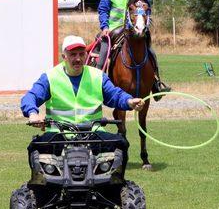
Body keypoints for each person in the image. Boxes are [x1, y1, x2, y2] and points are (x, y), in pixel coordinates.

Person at [21, 35, 144, 180]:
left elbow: (114, 95)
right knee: (35, 147)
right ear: (64, 56)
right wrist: (32, 113)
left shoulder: (98, 76)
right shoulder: (50, 77)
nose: (78, 58)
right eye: (73, 54)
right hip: (58, 135)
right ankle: (39, 189)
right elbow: (31, 97)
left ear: (86, 55)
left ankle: (116, 186)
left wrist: (129, 101)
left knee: (120, 145)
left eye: (81, 54)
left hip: (93, 134)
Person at [97, 0, 171, 98]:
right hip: (115, 28)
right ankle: (96, 80)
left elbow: (147, 8)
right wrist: (104, 26)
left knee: (151, 52)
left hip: (138, 27)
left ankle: (156, 83)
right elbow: (103, 9)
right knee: (103, 51)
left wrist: (145, 22)